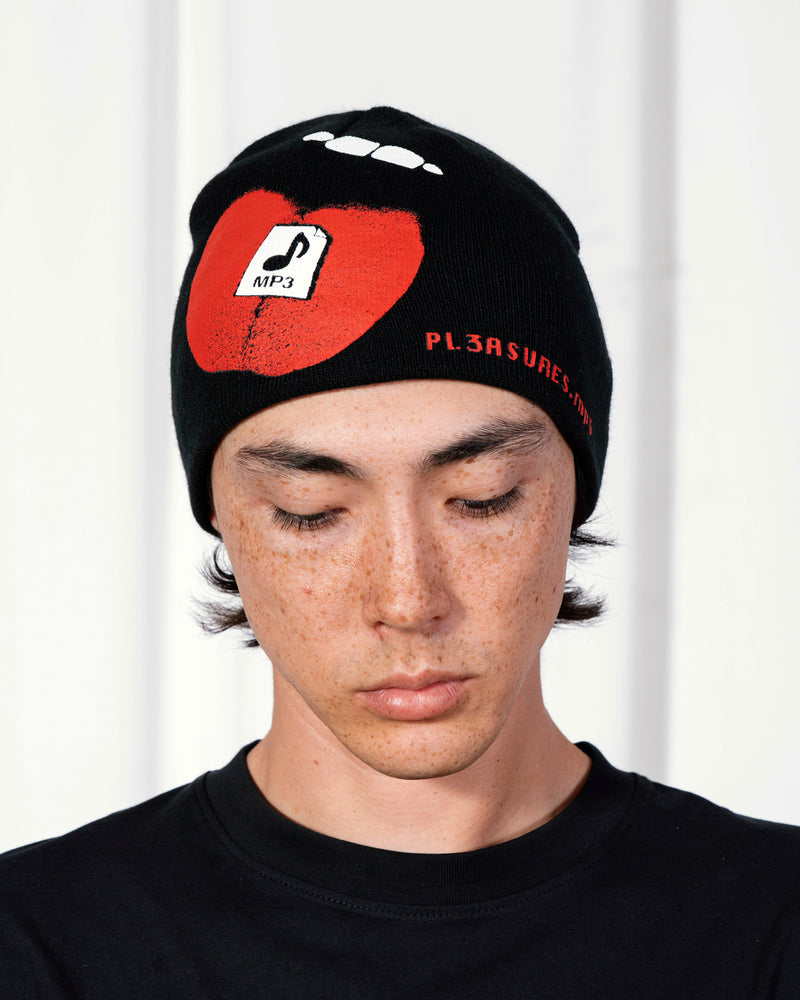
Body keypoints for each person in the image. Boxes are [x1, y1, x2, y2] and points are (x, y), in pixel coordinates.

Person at [1, 106, 798, 998]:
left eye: (482, 498)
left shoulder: (773, 931)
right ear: (221, 516)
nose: (409, 600)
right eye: (310, 513)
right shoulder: (35, 949)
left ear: (575, 487)